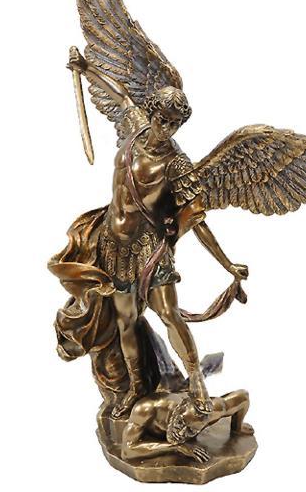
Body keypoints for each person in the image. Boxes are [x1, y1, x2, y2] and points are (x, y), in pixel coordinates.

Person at [67, 50, 249, 418]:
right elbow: (120, 94)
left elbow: (197, 220)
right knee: (126, 321)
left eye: (174, 124)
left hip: (149, 249)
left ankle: (196, 381)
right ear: (151, 113)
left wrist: (228, 264)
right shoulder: (134, 129)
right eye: (162, 119)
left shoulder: (176, 164)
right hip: (112, 246)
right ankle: (136, 386)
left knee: (168, 313)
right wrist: (86, 69)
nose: (166, 128)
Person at [121, 389, 254, 463]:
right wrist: (176, 447)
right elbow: (127, 450)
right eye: (180, 423)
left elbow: (243, 397)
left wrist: (237, 427)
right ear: (180, 408)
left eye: (191, 430)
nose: (180, 433)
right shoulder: (146, 409)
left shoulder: (211, 413)